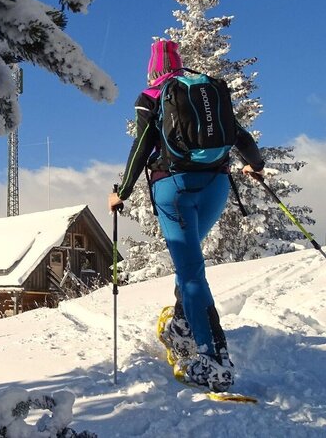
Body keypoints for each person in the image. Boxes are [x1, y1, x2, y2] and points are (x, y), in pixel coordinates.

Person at [108, 39, 265, 392]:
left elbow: (142, 145)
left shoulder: (151, 96)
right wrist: (256, 166)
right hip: (216, 187)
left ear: (153, 70)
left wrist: (122, 191)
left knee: (191, 271)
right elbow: (239, 135)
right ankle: (182, 322)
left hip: (174, 191)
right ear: (179, 64)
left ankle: (211, 358)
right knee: (191, 263)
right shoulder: (205, 90)